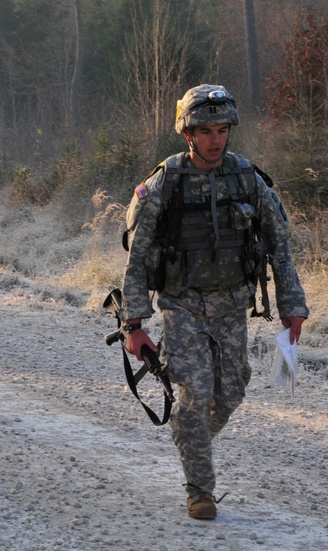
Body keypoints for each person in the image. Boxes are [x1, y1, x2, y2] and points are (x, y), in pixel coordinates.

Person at [119, 84, 309, 520]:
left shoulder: (248, 180)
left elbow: (280, 246)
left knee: (231, 389)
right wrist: (134, 324)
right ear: (189, 134)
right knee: (195, 390)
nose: (215, 139)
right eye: (206, 130)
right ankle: (199, 490)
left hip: (231, 304)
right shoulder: (165, 182)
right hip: (181, 305)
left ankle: (190, 437)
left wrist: (292, 307)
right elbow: (138, 254)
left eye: (222, 129)